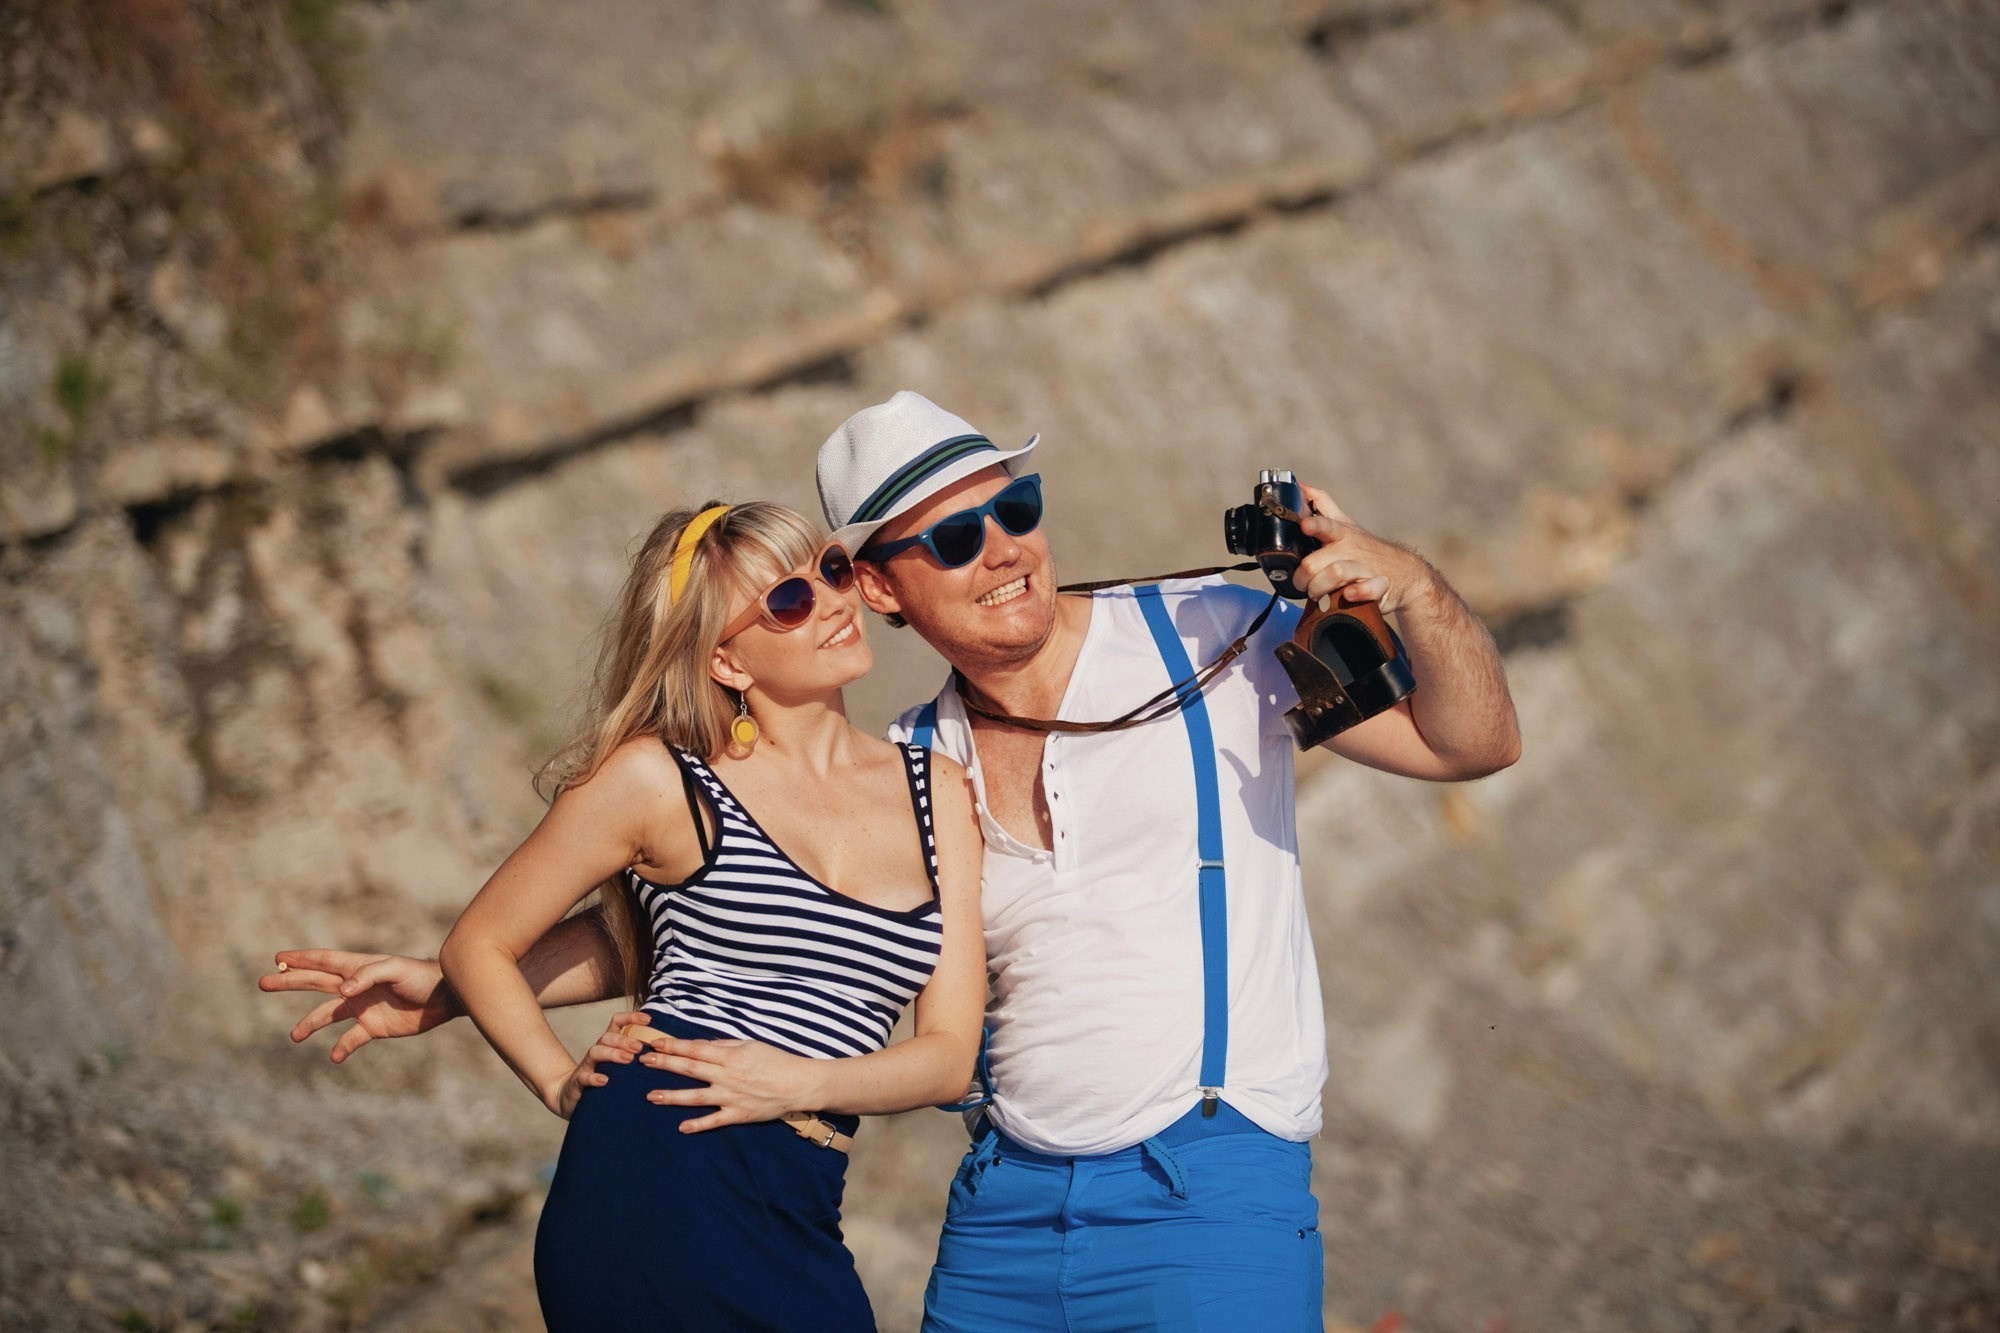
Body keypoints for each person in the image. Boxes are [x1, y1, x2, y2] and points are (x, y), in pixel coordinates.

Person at [264, 392, 1520, 1330]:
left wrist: (1408, 585)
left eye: (1013, 510)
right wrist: (454, 986)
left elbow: (1471, 743)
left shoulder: (1214, 633)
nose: (1003, 548)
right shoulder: (921, 759)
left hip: (1208, 1182)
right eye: (953, 538)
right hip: (1001, 1214)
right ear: (877, 586)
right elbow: (731, 916)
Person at [305, 497, 986, 1332]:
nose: (834, 599)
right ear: (727, 663)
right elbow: (480, 939)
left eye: (830, 569)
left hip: (799, 1196)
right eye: (788, 599)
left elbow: (950, 1058)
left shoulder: (936, 791)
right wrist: (560, 1084)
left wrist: (801, 1082)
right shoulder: (659, 780)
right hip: (653, 1177)